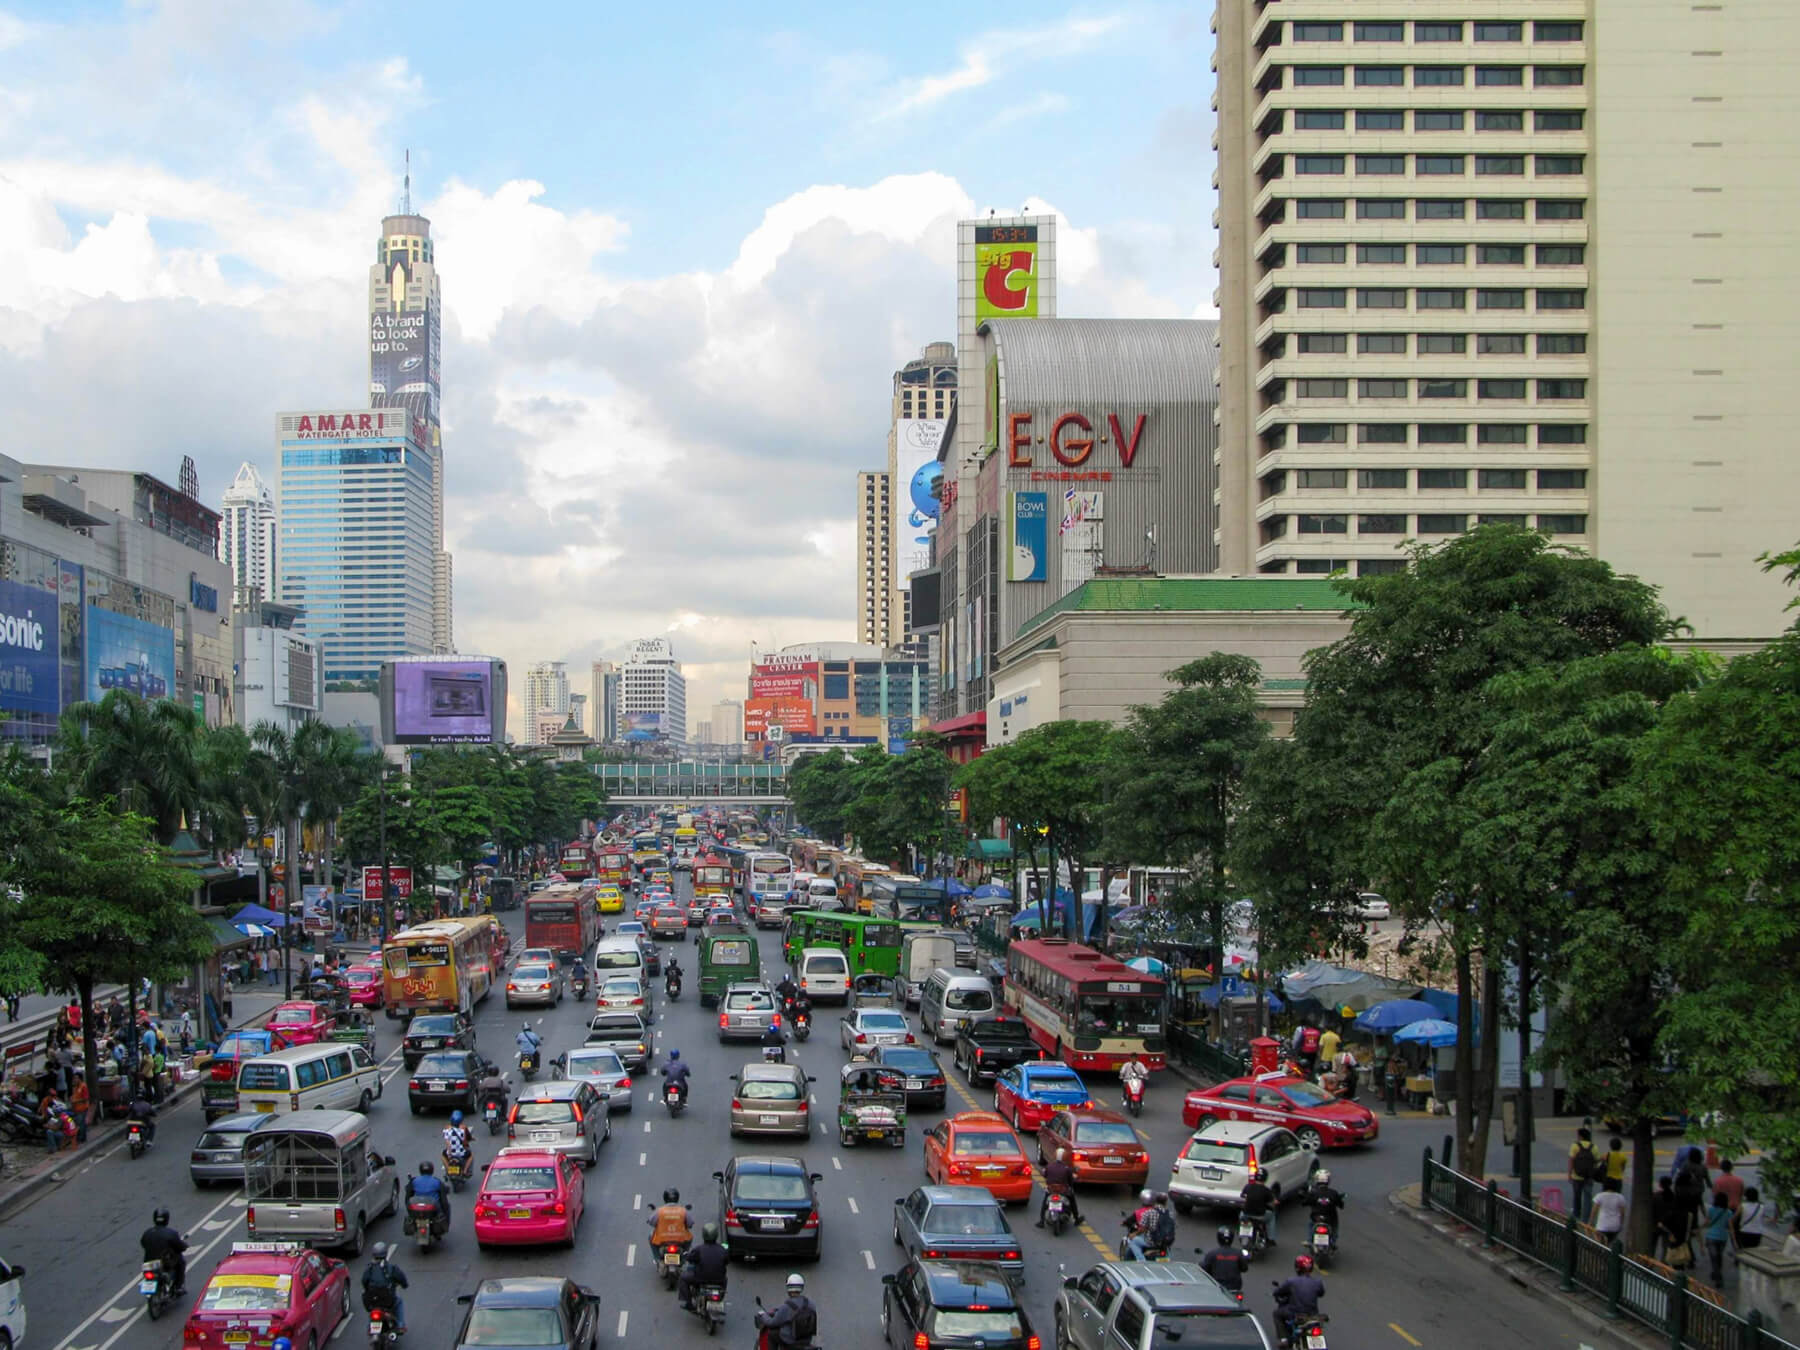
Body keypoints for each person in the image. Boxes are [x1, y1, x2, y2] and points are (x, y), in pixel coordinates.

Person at [1272, 1254, 1326, 1347]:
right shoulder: (1318, 1282)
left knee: (1277, 1314)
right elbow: (1321, 1293)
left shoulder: (1291, 1281)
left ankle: (1284, 1339)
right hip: (1313, 1315)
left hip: (1295, 1313)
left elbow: (1277, 1292)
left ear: (1297, 1268)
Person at [754, 1273, 818, 1349]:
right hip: (806, 1340)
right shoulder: (810, 1303)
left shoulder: (787, 1306)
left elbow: (772, 1323)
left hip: (790, 1340)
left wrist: (763, 1315)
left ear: (788, 1288)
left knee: (771, 1334)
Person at [677, 1221, 730, 1311]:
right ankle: (720, 1298)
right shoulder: (722, 1249)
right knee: (725, 1280)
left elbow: (690, 1258)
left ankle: (688, 1302)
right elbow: (727, 1261)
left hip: (701, 1278)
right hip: (719, 1279)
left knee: (683, 1278)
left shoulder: (699, 1249)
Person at [360, 1243, 410, 1333]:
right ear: (385, 1254)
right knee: (399, 1302)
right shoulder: (391, 1268)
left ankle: (370, 1327)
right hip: (388, 1301)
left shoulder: (369, 1269)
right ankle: (400, 1325)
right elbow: (401, 1278)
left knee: (373, 1309)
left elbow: (364, 1281)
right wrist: (404, 1285)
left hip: (373, 1300)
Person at [140, 1207, 188, 1294]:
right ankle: (178, 1286)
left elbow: (143, 1244)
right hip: (165, 1263)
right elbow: (179, 1246)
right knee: (181, 1262)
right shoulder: (171, 1233)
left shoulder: (147, 1232)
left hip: (148, 1263)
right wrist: (184, 1246)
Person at [1037, 1147, 1082, 1228]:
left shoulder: (1049, 1166)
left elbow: (1044, 1175)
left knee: (1044, 1204)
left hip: (1051, 1190)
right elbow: (1070, 1180)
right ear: (1064, 1157)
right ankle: (1076, 1218)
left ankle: (1041, 1221)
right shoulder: (1067, 1168)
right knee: (1072, 1200)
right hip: (1063, 1191)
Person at [1123, 1189, 1175, 1260]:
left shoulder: (1149, 1212)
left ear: (1155, 1201)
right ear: (1165, 1202)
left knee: (1133, 1241)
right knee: (1166, 1248)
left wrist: (1134, 1234)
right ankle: (1168, 1259)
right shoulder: (1171, 1214)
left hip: (1151, 1242)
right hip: (1166, 1242)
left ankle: (1141, 1260)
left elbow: (1142, 1228)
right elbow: (1173, 1227)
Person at [1199, 1225, 1248, 1295]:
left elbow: (1204, 1270)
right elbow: (1244, 1268)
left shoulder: (1212, 1254)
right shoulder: (1238, 1253)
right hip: (1235, 1287)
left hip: (1217, 1287)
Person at [1568, 1126, 1603, 1221]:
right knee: (1588, 1197)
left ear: (1581, 1136)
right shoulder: (1594, 1147)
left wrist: (1569, 1174)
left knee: (1577, 1196)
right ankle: (1585, 1219)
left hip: (1576, 1176)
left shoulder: (1575, 1146)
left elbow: (1571, 1160)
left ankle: (1576, 1216)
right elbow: (1597, 1160)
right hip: (1589, 1177)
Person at [649, 1187, 694, 1258]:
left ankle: (657, 1258)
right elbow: (690, 1224)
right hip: (680, 1240)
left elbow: (651, 1222)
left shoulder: (660, 1211)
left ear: (665, 1198)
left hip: (663, 1240)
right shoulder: (683, 1211)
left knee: (650, 1235)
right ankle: (685, 1256)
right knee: (690, 1237)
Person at [1305, 1168, 1346, 1241]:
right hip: (1330, 1217)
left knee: (1311, 1224)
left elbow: (1305, 1202)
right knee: (1334, 1225)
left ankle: (1309, 1240)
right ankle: (1333, 1239)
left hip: (1316, 1217)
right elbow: (1340, 1205)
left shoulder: (1313, 1193)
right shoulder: (1333, 1193)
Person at [1703, 1190, 1734, 1287]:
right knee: (1719, 1256)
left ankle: (1718, 1277)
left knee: (1714, 1258)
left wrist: (1702, 1226)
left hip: (1711, 1236)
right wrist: (1734, 1241)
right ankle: (1716, 1273)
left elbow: (1707, 1223)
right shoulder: (1728, 1212)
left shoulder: (1711, 1210)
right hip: (1722, 1237)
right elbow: (1730, 1227)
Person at [406, 1160, 448, 1227]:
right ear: (432, 1170)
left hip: (417, 1206)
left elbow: (408, 1194)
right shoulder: (437, 1181)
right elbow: (444, 1200)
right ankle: (445, 1224)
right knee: (446, 1207)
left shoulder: (414, 1180)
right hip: (432, 1208)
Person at [1242, 1173, 1278, 1245]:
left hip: (1245, 1214)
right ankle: (1271, 1238)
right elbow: (1273, 1202)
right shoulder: (1266, 1190)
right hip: (1259, 1215)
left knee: (1241, 1216)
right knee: (1271, 1216)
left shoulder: (1248, 1186)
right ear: (1265, 1179)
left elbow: (1243, 1195)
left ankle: (1243, 1235)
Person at [1736, 1186, 1776, 1252]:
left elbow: (1735, 1219)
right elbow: (1763, 1219)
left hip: (1744, 1232)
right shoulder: (1761, 1207)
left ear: (1746, 1196)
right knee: (1752, 1252)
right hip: (1756, 1234)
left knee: (1742, 1251)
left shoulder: (1742, 1206)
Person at [1589, 1177, 1627, 1242]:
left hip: (1602, 1226)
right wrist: (1621, 1224)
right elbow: (1622, 1213)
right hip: (1615, 1226)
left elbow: (1594, 1211)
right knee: (1610, 1243)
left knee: (1600, 1243)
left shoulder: (1600, 1196)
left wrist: (1590, 1223)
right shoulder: (1620, 1197)